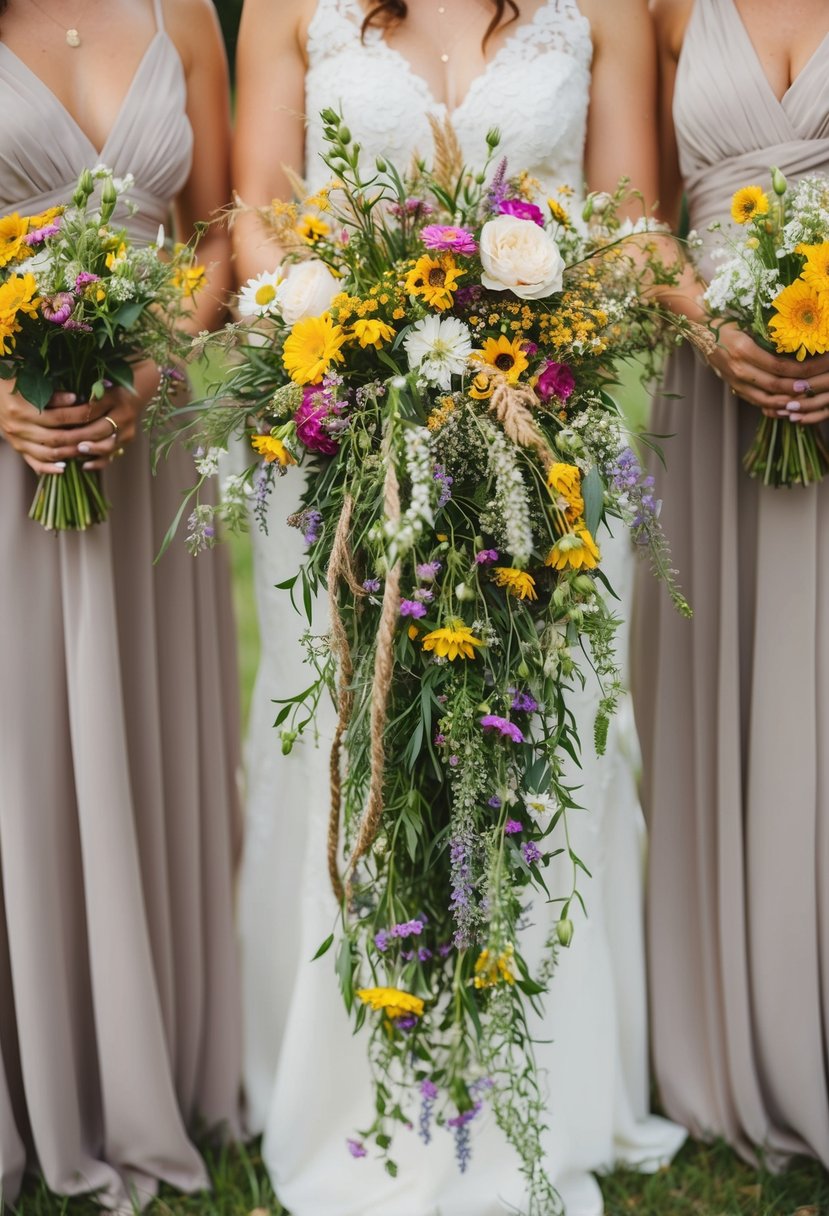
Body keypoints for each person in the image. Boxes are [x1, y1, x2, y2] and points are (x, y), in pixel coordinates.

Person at [233, 1, 685, 1212]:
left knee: (534, 740)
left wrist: (542, 319)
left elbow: (636, 226)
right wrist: (365, 358)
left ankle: (540, 1080)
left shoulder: (598, 10)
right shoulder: (289, 9)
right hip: (343, 436)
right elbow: (257, 230)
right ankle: (350, 1084)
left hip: (544, 433)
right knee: (358, 729)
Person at [0, 0, 242, 1209]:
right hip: (12, 446)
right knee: (26, 748)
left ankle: (159, 1055)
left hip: (151, 443)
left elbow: (220, 238)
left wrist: (152, 357)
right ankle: (35, 1064)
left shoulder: (180, 12)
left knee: (139, 734)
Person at [635, 0, 829, 1170]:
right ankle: (734, 1031)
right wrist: (708, 322)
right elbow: (634, 210)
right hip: (712, 394)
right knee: (721, 694)